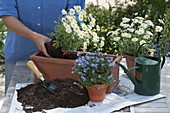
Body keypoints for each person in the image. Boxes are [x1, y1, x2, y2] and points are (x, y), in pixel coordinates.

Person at [0, 0, 85, 95]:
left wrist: (64, 41)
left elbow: (74, 15)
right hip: (20, 58)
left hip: (56, 61)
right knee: (13, 103)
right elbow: (7, 16)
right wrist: (33, 36)